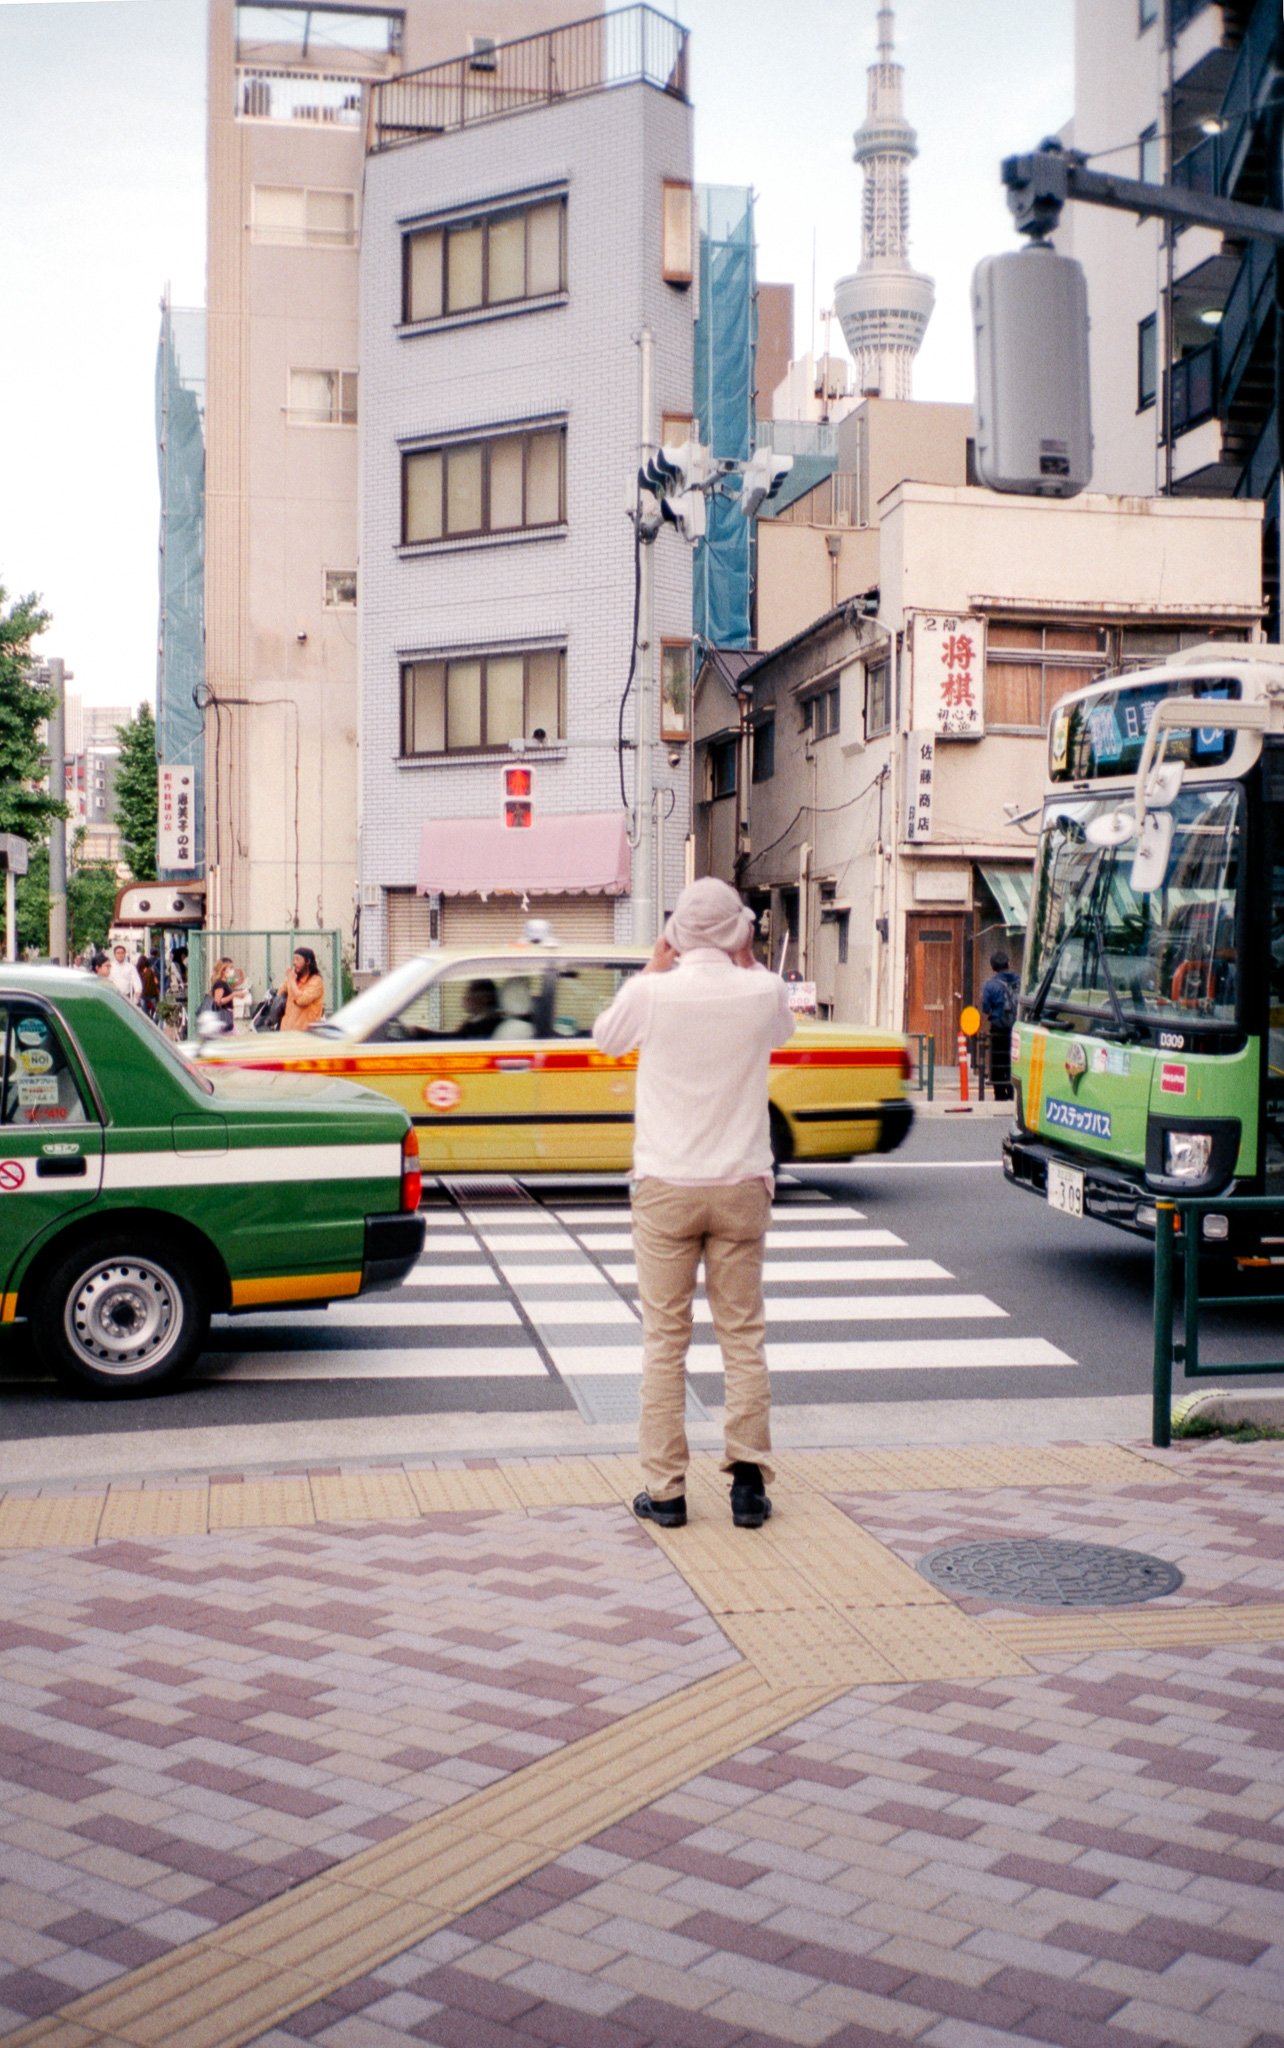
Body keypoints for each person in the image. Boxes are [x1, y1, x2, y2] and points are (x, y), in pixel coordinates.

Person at [593, 876, 794, 1532]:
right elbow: (784, 1031)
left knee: (664, 1341)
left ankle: (668, 1491)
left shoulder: (652, 993)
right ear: (738, 931)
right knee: (742, 1336)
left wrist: (657, 961)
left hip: (666, 1187)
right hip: (740, 1185)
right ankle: (746, 1485)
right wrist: (748, 954)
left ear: (677, 932)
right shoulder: (762, 989)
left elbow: (606, 1039)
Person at [980, 949, 1021, 1102]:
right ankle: (1012, 1092)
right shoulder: (1020, 981)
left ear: (993, 967)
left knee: (998, 1061)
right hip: (1017, 1029)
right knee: (1014, 1060)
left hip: (998, 1029)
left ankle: (1000, 1094)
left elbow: (985, 1008)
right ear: (1009, 964)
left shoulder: (990, 985)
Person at [280, 946, 325, 1031]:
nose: (294, 963)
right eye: (293, 959)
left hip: (305, 1034)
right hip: (287, 1030)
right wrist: (289, 980)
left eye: (297, 959)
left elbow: (302, 1000)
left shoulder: (316, 982)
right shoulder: (294, 978)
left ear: (308, 961)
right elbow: (280, 993)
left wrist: (292, 981)